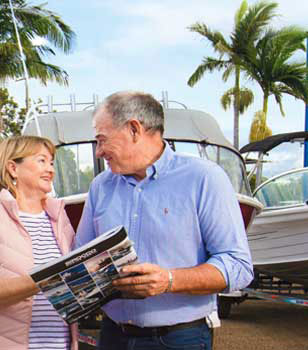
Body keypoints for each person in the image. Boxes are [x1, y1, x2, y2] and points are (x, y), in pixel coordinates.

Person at [76, 91, 253, 350]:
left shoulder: (204, 179)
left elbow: (238, 266)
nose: (100, 151)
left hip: (179, 340)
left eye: (102, 140)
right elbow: (81, 255)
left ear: (134, 129)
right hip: (112, 335)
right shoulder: (100, 186)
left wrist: (169, 280)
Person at [0, 136, 77, 350]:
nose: (50, 169)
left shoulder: (59, 218)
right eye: (41, 161)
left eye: (51, 162)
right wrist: (46, 278)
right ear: (13, 168)